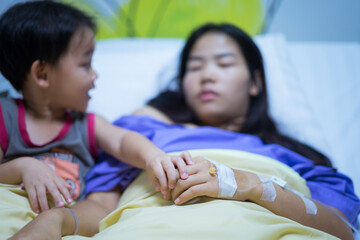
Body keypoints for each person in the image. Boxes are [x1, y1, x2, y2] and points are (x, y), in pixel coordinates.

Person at [7, 22, 359, 239]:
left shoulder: (297, 157)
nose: (207, 74)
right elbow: (101, 209)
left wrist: (249, 185)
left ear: (255, 82)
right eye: (194, 67)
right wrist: (58, 221)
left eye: (224, 63)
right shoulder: (145, 137)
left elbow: (343, 231)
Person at [0, 1, 191, 239]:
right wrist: (23, 166)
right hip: (9, 210)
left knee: (100, 212)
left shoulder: (87, 124)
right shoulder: (4, 115)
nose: (94, 76)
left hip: (61, 220)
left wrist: (154, 157)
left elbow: (122, 140)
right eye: (85, 65)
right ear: (42, 74)